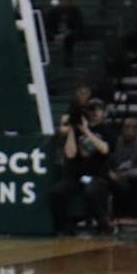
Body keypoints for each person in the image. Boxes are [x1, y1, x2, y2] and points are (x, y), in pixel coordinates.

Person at [50, 99, 114, 235]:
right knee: (56, 192)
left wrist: (87, 131)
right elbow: (70, 153)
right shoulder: (76, 129)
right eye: (92, 110)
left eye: (98, 110)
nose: (95, 113)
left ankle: (103, 222)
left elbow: (104, 149)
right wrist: (73, 129)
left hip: (98, 175)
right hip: (77, 175)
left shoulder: (106, 129)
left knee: (92, 191)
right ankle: (65, 226)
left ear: (103, 112)